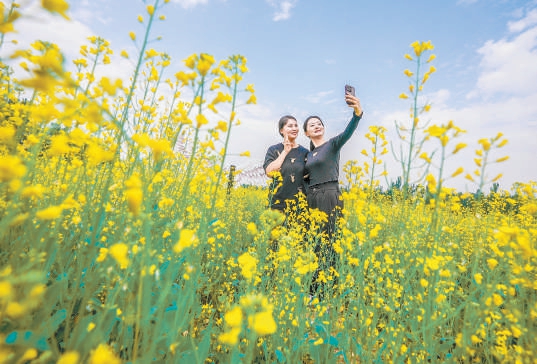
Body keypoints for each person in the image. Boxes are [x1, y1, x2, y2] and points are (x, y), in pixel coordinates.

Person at [303, 92, 363, 298]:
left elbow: (349, 131)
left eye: (319, 123)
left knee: (331, 241)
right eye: (312, 125)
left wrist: (357, 111)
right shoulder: (308, 155)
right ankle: (313, 290)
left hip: (330, 195)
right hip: (312, 198)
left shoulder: (333, 145)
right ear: (307, 133)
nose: (317, 125)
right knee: (315, 242)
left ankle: (330, 292)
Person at [263, 115, 309, 213]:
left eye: (296, 126)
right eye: (290, 126)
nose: (294, 128)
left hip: (299, 206)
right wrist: (285, 151)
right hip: (277, 204)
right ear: (281, 130)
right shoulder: (274, 150)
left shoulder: (305, 152)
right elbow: (269, 172)